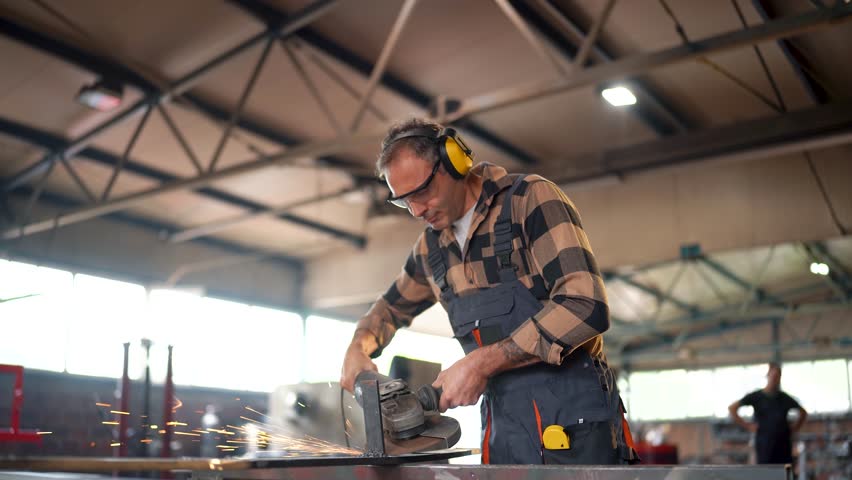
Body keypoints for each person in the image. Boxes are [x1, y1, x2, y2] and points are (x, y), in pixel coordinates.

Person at [340, 118, 637, 464]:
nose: (417, 211)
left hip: (576, 430)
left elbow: (586, 306)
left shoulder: (528, 201)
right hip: (503, 434)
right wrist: (358, 346)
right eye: (404, 202)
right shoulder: (431, 249)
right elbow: (387, 311)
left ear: (454, 162)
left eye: (421, 192)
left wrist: (481, 363)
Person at [728, 362, 808, 464]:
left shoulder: (785, 398)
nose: (775, 379)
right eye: (773, 376)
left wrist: (794, 428)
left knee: (784, 472)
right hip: (764, 445)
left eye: (778, 376)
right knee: (766, 471)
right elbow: (732, 408)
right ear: (768, 375)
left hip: (783, 445)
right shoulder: (756, 396)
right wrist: (747, 426)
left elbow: (803, 412)